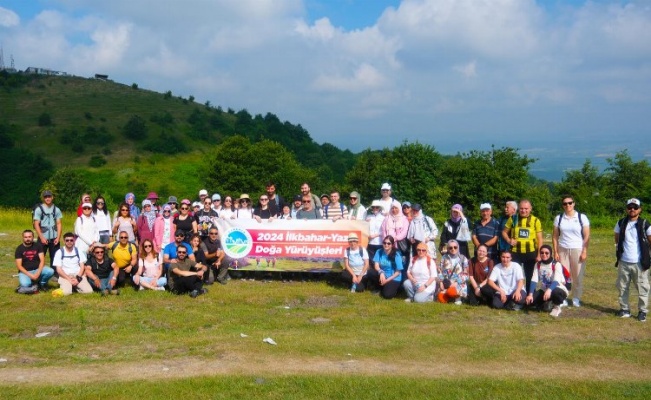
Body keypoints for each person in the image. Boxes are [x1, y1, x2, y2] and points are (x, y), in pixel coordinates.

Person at [614, 198, 651, 322]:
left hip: (639, 263)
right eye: (630, 207)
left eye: (635, 207)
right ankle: (624, 309)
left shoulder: (645, 224)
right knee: (623, 286)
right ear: (626, 209)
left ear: (640, 209)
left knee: (642, 287)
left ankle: (642, 311)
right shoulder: (621, 223)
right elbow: (617, 238)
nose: (632, 209)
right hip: (624, 261)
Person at [552, 195, 590, 307]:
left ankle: (576, 298)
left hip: (577, 249)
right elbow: (555, 236)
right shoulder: (558, 218)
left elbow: (587, 236)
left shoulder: (581, 217)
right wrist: (555, 251)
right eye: (565, 203)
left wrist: (584, 251)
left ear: (574, 203)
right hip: (562, 249)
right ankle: (562, 298)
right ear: (562, 205)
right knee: (562, 276)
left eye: (570, 203)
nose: (568, 205)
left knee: (577, 276)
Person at [503, 199, 543, 291]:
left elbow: (540, 239)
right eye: (521, 208)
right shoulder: (513, 218)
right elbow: (504, 232)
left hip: (530, 252)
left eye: (526, 208)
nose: (523, 210)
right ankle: (515, 294)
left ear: (530, 209)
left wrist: (539, 254)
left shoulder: (535, 220)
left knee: (530, 275)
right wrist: (509, 240)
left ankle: (529, 295)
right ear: (518, 209)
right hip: (515, 252)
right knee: (515, 275)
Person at [526, 245, 568, 317]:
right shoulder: (538, 264)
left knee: (555, 292)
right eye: (542, 253)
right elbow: (534, 280)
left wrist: (549, 290)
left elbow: (556, 280)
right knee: (530, 302)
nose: (544, 255)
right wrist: (530, 294)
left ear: (550, 253)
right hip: (545, 290)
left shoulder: (556, 264)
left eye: (546, 253)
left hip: (558, 289)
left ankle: (558, 306)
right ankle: (548, 302)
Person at [33, 190, 62, 268]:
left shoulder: (56, 210)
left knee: (55, 257)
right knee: (40, 256)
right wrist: (42, 238)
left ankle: (55, 273)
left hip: (54, 237)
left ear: (52, 197)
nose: (47, 198)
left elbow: (59, 224)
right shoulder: (39, 209)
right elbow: (36, 224)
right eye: (45, 197)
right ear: (43, 198)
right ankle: (38, 271)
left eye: (49, 196)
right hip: (43, 236)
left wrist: (58, 237)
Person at [367, 235, 403, 299]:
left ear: (392, 244)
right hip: (383, 274)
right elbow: (376, 265)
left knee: (387, 295)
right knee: (370, 272)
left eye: (389, 243)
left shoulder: (396, 254)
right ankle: (379, 287)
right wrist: (381, 272)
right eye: (384, 243)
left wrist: (387, 280)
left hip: (394, 277)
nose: (386, 245)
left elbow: (398, 272)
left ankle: (395, 289)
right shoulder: (379, 251)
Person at [437, 240, 469, 304]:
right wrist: (441, 282)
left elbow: (466, 275)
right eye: (450, 248)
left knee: (452, 291)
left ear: (458, 247)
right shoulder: (444, 258)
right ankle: (450, 296)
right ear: (448, 248)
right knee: (441, 299)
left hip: (458, 283)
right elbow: (440, 271)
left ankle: (457, 298)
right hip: (446, 283)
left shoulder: (463, 258)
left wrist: (456, 282)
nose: (453, 249)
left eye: (455, 247)